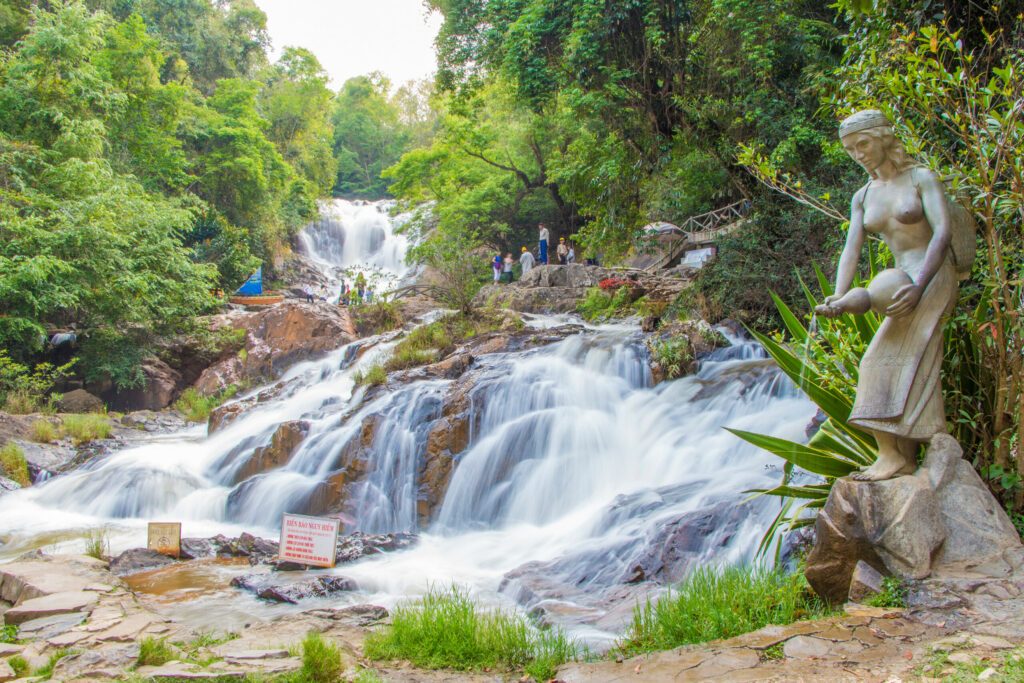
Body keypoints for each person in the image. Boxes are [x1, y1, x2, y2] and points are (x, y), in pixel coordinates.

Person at [815, 109, 960, 481]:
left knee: (880, 359)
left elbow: (941, 233)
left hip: (930, 274)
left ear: (883, 138)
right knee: (898, 360)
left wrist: (920, 284)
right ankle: (902, 456)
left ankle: (894, 456)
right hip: (897, 281)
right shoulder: (863, 196)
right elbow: (852, 248)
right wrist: (837, 294)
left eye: (863, 143)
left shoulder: (921, 178)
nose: (858, 154)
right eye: (850, 149)